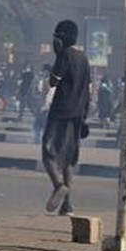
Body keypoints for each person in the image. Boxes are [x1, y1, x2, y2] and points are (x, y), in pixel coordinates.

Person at [42, 19, 91, 215]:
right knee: (67, 159)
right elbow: (88, 91)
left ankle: (58, 185)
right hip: (77, 114)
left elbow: (53, 82)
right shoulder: (84, 59)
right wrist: (85, 116)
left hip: (60, 112)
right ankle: (67, 205)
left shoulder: (65, 55)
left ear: (61, 38)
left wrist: (57, 53)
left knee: (47, 152)